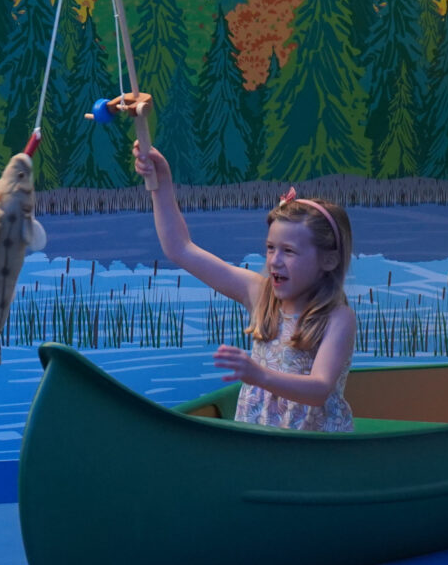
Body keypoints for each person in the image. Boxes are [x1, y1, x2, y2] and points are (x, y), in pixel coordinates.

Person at [134, 145, 356, 432]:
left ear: (328, 259)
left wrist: (259, 375)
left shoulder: (338, 318)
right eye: (270, 248)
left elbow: (318, 389)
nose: (275, 260)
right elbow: (180, 249)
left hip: (314, 447)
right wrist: (160, 183)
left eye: (289, 251)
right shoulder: (260, 294)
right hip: (260, 438)